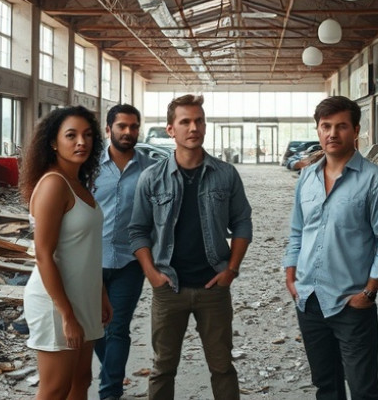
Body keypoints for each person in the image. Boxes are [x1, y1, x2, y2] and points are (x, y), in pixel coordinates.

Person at [128, 94, 253, 400]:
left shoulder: (225, 174)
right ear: (171, 129)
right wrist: (152, 275)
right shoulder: (152, 178)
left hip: (214, 286)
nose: (193, 127)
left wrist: (231, 270)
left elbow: (242, 223)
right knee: (162, 368)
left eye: (199, 120)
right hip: (168, 288)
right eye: (185, 121)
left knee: (222, 367)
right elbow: (137, 231)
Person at [283, 96, 378, 400]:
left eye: (341, 126)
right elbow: (298, 231)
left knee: (362, 390)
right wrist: (291, 274)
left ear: (356, 130)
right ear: (318, 130)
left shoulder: (375, 180)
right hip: (309, 300)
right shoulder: (307, 177)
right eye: (326, 126)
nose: (332, 133)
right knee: (326, 386)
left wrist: (370, 291)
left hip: (351, 302)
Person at [20, 106, 112, 400]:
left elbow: (84, 249)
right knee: (55, 389)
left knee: (80, 381)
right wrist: (67, 314)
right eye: (71, 135)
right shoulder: (53, 185)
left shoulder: (78, 184)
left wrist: (100, 294)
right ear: (53, 142)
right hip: (55, 304)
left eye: (87, 135)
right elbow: (43, 255)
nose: (81, 142)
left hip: (82, 296)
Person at [93, 104, 155, 400]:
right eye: (122, 126)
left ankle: (110, 392)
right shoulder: (89, 167)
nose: (128, 132)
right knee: (96, 329)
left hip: (131, 262)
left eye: (133, 127)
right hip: (90, 262)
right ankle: (112, 372)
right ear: (108, 130)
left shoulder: (150, 170)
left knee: (117, 328)